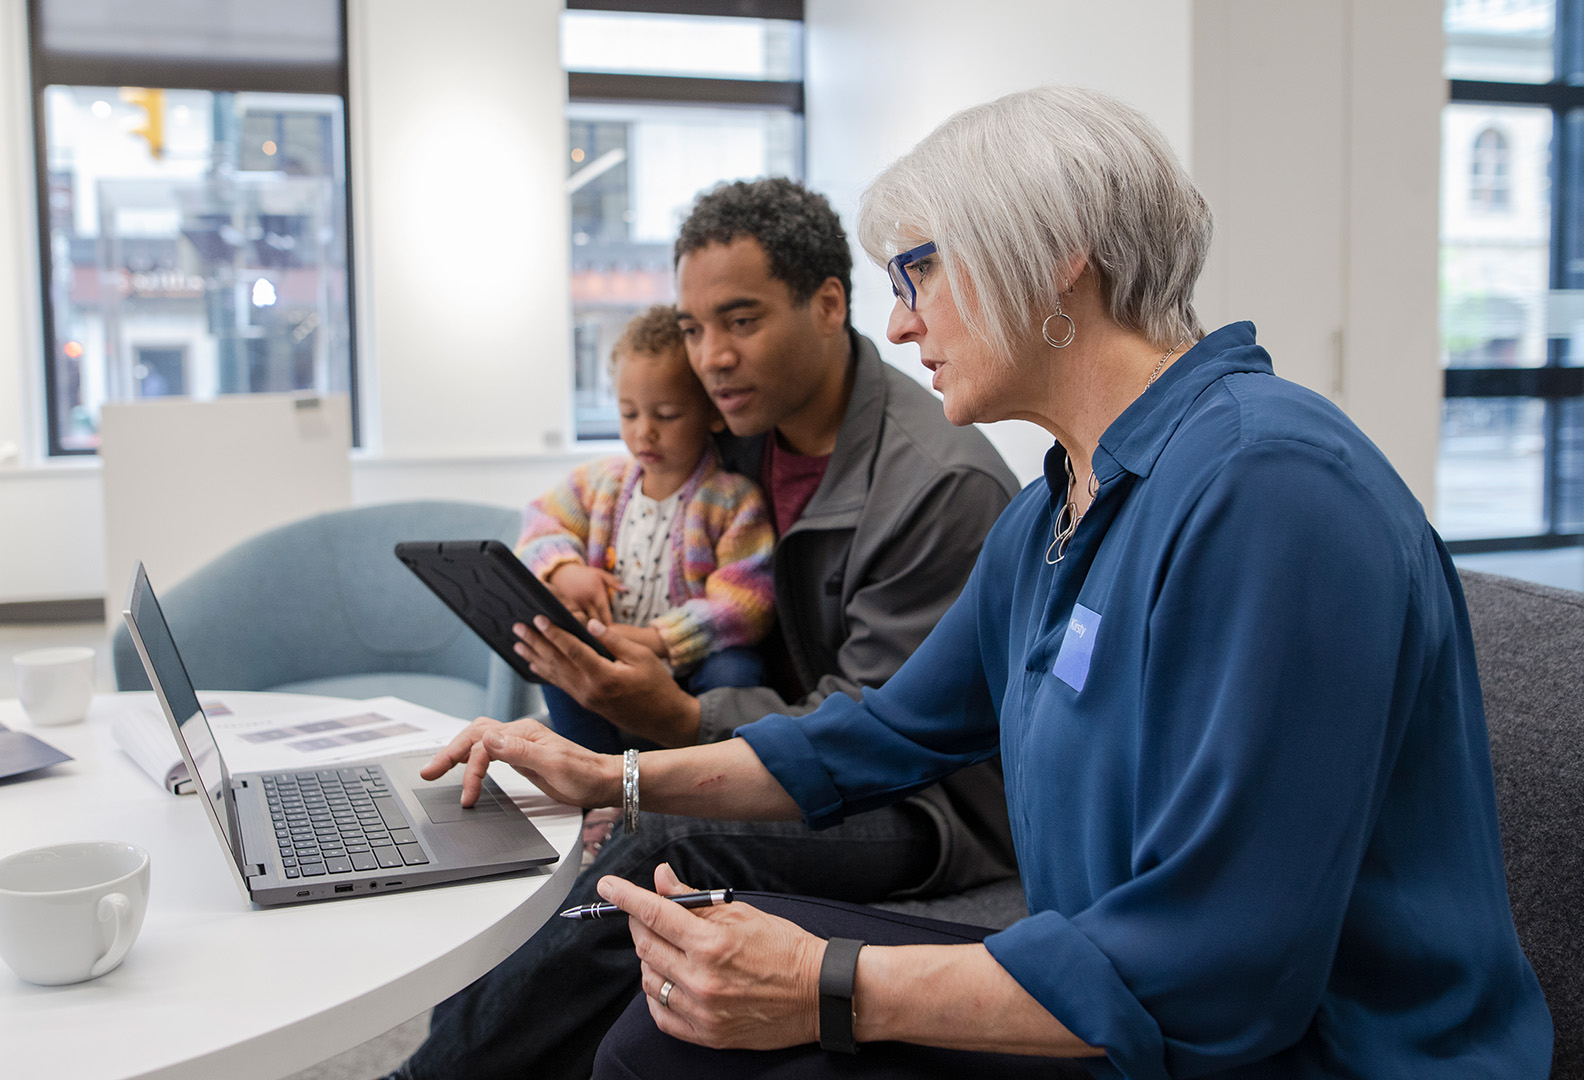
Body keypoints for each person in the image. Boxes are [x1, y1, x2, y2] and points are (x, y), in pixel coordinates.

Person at [421, 87, 1554, 1078]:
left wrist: (827, 982)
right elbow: (872, 735)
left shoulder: (1272, 490)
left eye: (919, 270)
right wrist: (612, 774)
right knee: (670, 1015)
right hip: (1116, 1000)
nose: (902, 318)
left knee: (696, 1033)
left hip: (1294, 1052)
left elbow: (1228, 970)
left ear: (1058, 250)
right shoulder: (1057, 506)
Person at [389, 178, 1020, 1080]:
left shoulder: (935, 484)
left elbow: (881, 733)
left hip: (923, 805)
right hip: (777, 740)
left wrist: (678, 728)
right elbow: (591, 498)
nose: (711, 357)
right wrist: (570, 572)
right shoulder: (732, 436)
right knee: (549, 817)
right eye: (692, 328)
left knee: (657, 849)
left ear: (830, 305)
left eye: (741, 320)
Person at [520, 304, 775, 757]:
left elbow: (744, 605)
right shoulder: (602, 483)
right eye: (629, 414)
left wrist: (659, 640)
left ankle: (697, 777)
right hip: (613, 650)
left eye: (667, 415)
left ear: (712, 412)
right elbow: (539, 521)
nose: (645, 434)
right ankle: (599, 776)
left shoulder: (733, 499)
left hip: (694, 663)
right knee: (556, 660)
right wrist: (563, 570)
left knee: (735, 672)